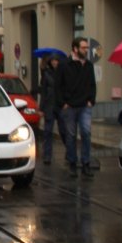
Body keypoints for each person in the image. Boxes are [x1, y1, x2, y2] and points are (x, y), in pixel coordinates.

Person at [55, 36, 96, 176]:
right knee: (71, 135)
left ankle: (86, 163)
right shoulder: (65, 65)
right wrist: (63, 103)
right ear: (75, 49)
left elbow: (92, 84)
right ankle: (72, 163)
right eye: (83, 48)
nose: (86, 50)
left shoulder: (88, 65)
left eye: (87, 48)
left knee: (86, 133)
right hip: (70, 106)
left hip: (85, 105)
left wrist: (91, 100)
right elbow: (58, 86)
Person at [38, 53, 61, 164]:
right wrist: (41, 108)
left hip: (60, 105)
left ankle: (70, 155)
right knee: (48, 131)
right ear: (50, 62)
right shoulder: (46, 73)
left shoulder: (62, 73)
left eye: (56, 60)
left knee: (65, 131)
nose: (55, 62)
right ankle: (47, 155)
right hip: (49, 105)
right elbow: (43, 91)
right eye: (53, 61)